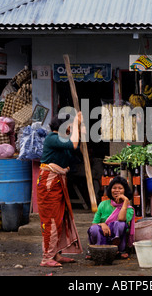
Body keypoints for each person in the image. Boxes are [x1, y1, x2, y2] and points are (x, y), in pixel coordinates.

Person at [36, 111, 84, 267]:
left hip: (58, 182)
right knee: (51, 219)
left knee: (59, 218)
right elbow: (74, 144)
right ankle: (46, 257)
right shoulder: (52, 138)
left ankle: (56, 254)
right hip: (49, 183)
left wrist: (78, 128)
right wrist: (76, 123)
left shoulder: (61, 141)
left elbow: (74, 151)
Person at [87, 176, 135, 259]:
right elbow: (94, 224)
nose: (116, 190)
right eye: (114, 188)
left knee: (120, 224)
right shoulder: (103, 204)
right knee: (94, 229)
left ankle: (118, 250)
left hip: (117, 238)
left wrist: (125, 202)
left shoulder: (129, 210)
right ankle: (98, 250)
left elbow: (121, 219)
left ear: (125, 191)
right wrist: (102, 224)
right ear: (110, 190)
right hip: (103, 233)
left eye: (120, 188)